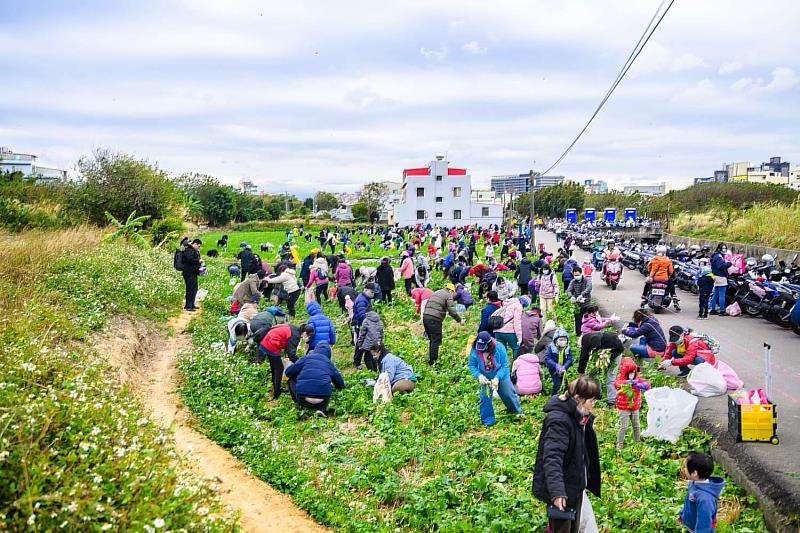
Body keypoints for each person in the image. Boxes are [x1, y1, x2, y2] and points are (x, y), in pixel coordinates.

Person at [532, 376, 601, 533]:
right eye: (591, 401)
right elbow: (552, 458)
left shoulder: (578, 417)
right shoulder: (560, 421)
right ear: (578, 398)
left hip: (574, 486)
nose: (593, 405)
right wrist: (557, 492)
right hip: (563, 489)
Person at [467, 332, 523, 425]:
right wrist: (479, 375)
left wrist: (497, 378)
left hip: (501, 374)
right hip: (485, 377)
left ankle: (517, 413)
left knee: (508, 394)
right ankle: (487, 421)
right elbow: (472, 364)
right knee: (485, 398)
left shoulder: (499, 347)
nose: (480, 349)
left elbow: (505, 365)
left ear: (489, 344)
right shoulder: (474, 348)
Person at [284, 342, 345, 417]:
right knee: (327, 381)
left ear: (315, 350)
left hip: (303, 399)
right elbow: (340, 382)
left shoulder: (306, 358)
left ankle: (297, 404)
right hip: (323, 400)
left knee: (291, 379)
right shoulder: (329, 363)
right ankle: (321, 409)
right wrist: (340, 387)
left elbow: (288, 372)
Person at [258, 323, 315, 399]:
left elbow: (287, 343)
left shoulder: (295, 329)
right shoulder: (295, 336)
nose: (307, 339)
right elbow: (291, 355)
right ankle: (277, 393)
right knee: (279, 369)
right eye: (308, 337)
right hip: (271, 343)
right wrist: (301, 364)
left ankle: (276, 388)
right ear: (304, 333)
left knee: (274, 367)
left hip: (267, 339)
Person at [679, 451, 725, 533]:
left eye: (685, 467)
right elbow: (689, 504)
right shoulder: (694, 483)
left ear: (694, 473)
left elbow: (704, 524)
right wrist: (682, 516)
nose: (684, 469)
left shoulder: (705, 499)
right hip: (690, 525)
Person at [577, 331, 625, 406]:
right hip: (605, 352)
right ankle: (597, 395)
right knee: (593, 374)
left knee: (610, 377)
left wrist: (581, 372)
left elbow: (584, 356)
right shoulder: (590, 337)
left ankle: (611, 402)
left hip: (615, 352)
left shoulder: (585, 340)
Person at [613, 357, 650, 450]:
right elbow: (616, 384)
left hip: (634, 407)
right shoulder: (620, 379)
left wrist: (643, 385)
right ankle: (619, 443)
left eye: (633, 373)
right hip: (623, 407)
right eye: (630, 373)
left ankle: (637, 442)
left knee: (636, 425)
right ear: (625, 372)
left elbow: (647, 383)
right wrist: (627, 383)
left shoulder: (637, 379)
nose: (632, 375)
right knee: (624, 426)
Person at [422, 285, 464, 365]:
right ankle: (433, 362)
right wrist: (460, 320)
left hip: (426, 317)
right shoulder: (448, 295)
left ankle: (431, 359)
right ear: (451, 291)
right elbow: (452, 311)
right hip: (435, 319)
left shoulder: (437, 292)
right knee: (436, 340)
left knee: (432, 339)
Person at [642, 245, 679, 310]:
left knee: (647, 284)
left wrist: (651, 272)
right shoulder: (668, 260)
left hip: (654, 279)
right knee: (671, 285)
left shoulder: (653, 259)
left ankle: (644, 295)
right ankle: (674, 296)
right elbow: (671, 271)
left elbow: (648, 268)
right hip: (664, 279)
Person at [352, 284, 376, 368]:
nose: (372, 294)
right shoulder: (361, 300)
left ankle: (357, 361)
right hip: (361, 325)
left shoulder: (365, 298)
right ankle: (357, 362)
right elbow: (362, 315)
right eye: (371, 292)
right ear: (366, 290)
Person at [544, 328, 573, 396]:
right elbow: (547, 358)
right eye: (561, 340)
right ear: (556, 341)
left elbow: (569, 359)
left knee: (565, 384)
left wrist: (565, 366)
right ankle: (553, 398)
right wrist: (556, 365)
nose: (563, 341)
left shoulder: (567, 349)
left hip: (563, 368)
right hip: (553, 369)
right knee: (557, 384)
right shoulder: (551, 348)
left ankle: (566, 397)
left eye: (565, 340)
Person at [566, 267, 592, 334]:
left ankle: (586, 333)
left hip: (586, 303)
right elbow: (569, 290)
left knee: (586, 319)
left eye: (578, 275)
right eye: (575, 275)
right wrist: (571, 297)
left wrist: (582, 295)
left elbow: (589, 288)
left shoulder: (587, 280)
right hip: (577, 304)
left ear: (581, 273)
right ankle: (578, 334)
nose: (576, 276)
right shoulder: (573, 281)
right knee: (577, 320)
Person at [709, 243, 733, 316]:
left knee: (715, 294)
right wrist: (729, 264)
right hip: (721, 277)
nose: (724, 249)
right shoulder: (719, 257)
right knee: (722, 294)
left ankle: (712, 309)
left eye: (725, 248)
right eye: (723, 248)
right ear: (719, 248)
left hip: (716, 276)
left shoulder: (715, 255)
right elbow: (720, 266)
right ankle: (722, 310)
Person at [180, 238, 203, 311]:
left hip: (193, 273)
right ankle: (188, 306)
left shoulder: (193, 250)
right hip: (189, 273)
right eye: (198, 246)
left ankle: (192, 304)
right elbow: (190, 260)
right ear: (195, 244)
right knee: (190, 289)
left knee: (194, 289)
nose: (199, 248)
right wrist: (198, 260)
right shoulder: (189, 250)